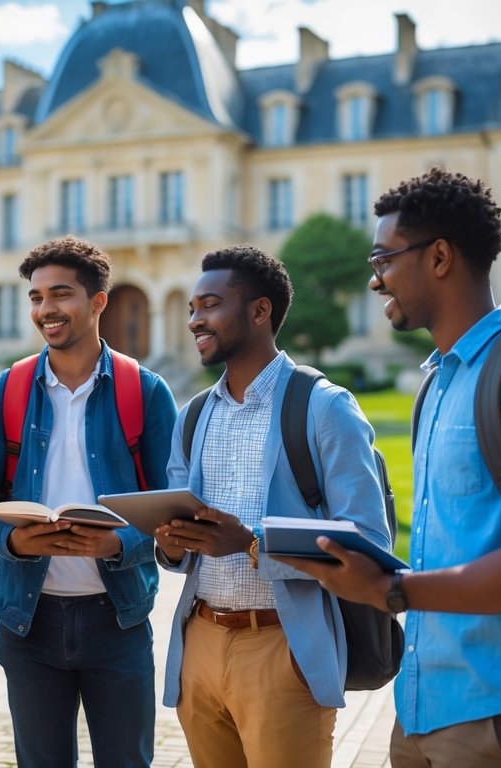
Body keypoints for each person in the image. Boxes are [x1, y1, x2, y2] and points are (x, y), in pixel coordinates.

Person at [278, 167, 501, 767]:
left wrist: (393, 590)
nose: (375, 281)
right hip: (422, 707)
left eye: (384, 260)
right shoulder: (438, 384)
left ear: (441, 257)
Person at [152, 245, 389, 768]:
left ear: (260, 311)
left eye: (209, 305)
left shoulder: (325, 407)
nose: (194, 321)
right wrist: (170, 544)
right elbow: (181, 547)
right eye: (192, 308)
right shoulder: (192, 416)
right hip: (201, 642)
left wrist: (252, 543)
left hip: (283, 645)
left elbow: (368, 542)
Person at [0, 236, 176, 768]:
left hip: (118, 618)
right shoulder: (7, 390)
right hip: (27, 620)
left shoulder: (144, 391)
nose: (45, 310)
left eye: (60, 295)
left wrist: (118, 542)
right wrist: (11, 538)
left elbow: (172, 508)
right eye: (35, 298)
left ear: (98, 301)